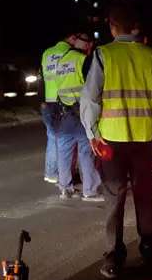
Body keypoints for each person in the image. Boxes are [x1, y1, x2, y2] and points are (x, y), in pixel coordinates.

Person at [81, 4, 152, 279]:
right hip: (145, 141)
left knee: (114, 199)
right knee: (147, 200)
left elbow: (90, 99)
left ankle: (113, 259)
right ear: (135, 27)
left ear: (112, 26)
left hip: (111, 141)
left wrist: (92, 134)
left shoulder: (104, 55)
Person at [54, 32, 104, 201]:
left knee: (64, 153)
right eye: (89, 48)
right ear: (85, 45)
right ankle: (89, 191)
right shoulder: (83, 60)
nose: (90, 51)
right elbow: (93, 87)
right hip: (81, 112)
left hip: (64, 113)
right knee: (86, 152)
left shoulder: (61, 61)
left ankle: (65, 189)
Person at [39, 37, 69, 184]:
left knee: (52, 138)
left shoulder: (47, 53)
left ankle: (50, 173)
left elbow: (41, 78)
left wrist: (42, 100)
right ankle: (57, 173)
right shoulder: (69, 53)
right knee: (62, 140)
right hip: (61, 100)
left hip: (47, 101)